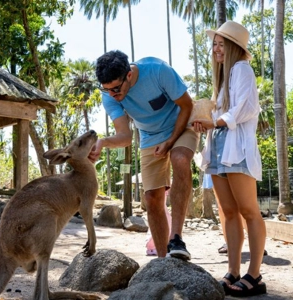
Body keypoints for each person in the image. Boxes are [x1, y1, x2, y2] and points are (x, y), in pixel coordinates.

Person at [91, 50, 198, 261]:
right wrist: (103, 142)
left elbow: (187, 105)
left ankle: (176, 239)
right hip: (150, 136)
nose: (112, 94)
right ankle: (162, 260)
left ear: (128, 75)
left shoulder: (157, 70)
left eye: (115, 88)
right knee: (151, 198)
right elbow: (125, 136)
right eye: (106, 89)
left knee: (180, 159)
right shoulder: (109, 94)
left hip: (181, 124)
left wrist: (170, 142)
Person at [192, 21, 267, 296]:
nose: (216, 48)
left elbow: (245, 108)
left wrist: (216, 122)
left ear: (234, 47)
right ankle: (233, 270)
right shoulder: (223, 77)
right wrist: (203, 121)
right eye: (215, 44)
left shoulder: (242, 69)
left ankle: (255, 275)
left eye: (222, 44)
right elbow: (221, 114)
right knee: (229, 212)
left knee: (249, 211)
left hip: (237, 148)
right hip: (218, 147)